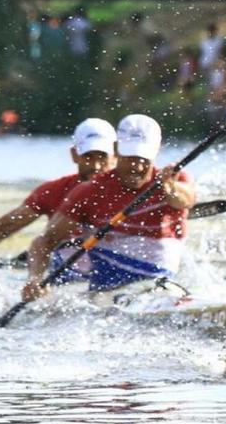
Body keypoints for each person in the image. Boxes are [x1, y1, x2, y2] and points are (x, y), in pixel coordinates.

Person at [21, 114, 197, 301]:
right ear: (115, 149)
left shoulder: (175, 181)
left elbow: (188, 200)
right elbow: (44, 242)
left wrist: (169, 187)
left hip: (159, 283)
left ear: (157, 151)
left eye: (144, 158)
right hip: (107, 292)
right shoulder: (89, 191)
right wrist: (36, 279)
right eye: (129, 157)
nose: (136, 166)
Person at [0, 118, 117, 259]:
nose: (96, 166)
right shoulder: (52, 192)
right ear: (74, 154)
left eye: (102, 157)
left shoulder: (133, 194)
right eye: (88, 157)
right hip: (64, 266)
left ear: (116, 156)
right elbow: (0, 230)